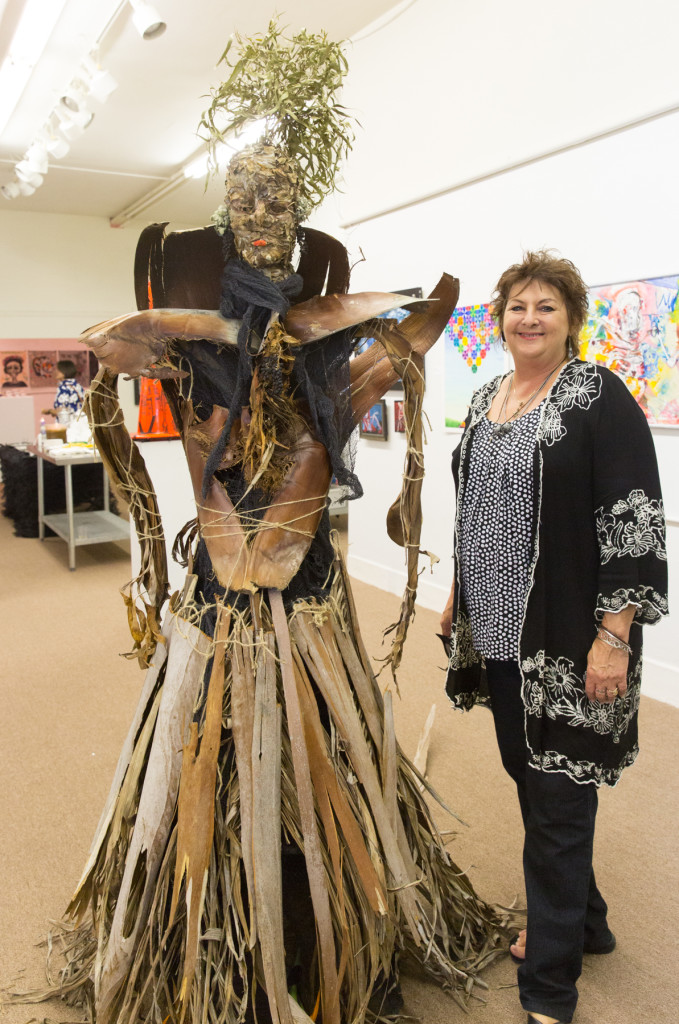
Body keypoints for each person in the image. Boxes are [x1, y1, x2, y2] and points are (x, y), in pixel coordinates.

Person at [14, 25, 507, 1024]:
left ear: (297, 216)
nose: (262, 213)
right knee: (210, 748)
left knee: (322, 763)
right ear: (225, 209)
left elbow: (368, 371)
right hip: (221, 586)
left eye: (278, 198)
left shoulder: (321, 304)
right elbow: (126, 359)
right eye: (245, 196)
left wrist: (375, 375)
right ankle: (205, 943)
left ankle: (343, 931)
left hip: (308, 581)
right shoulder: (194, 306)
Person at [440, 250, 668, 1024]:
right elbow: (472, 507)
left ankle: (549, 986)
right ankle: (586, 921)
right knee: (530, 780)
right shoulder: (484, 398)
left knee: (560, 801)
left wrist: (615, 638)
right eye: (516, 306)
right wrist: (455, 594)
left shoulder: (597, 395)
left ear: (570, 320)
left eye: (545, 306)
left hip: (571, 639)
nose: (528, 318)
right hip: (500, 635)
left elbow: (633, 516)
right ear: (498, 319)